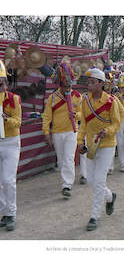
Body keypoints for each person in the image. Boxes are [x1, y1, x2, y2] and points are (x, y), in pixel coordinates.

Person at [77, 66, 121, 231]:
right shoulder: (85, 101)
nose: (89, 85)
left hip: (107, 145)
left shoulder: (111, 102)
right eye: (88, 82)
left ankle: (94, 217)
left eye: (93, 82)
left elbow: (117, 123)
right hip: (91, 146)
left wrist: (107, 131)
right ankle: (110, 197)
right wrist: (80, 142)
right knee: (90, 181)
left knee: (100, 180)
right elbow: (84, 125)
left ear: (102, 84)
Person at [42, 62, 82, 197]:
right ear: (60, 85)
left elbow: (83, 113)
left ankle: (67, 185)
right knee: (61, 160)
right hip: (57, 133)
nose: (67, 89)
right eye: (65, 86)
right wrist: (46, 132)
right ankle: (65, 181)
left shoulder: (77, 96)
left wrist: (77, 115)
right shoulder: (52, 97)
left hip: (72, 130)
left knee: (69, 158)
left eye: (69, 86)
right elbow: (47, 116)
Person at [0, 60, 21, 231]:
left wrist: (5, 119)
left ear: (6, 84)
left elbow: (18, 122)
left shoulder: (14, 99)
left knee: (8, 180)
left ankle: (11, 213)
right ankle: (4, 213)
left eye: (1, 84)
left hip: (11, 142)